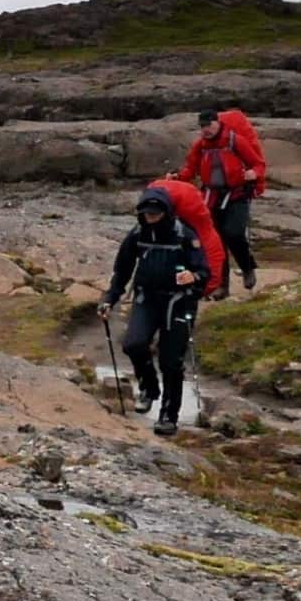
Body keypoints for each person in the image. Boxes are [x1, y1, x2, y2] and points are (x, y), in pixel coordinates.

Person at [100, 186, 215, 436]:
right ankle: (149, 388)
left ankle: (168, 416)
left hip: (179, 302)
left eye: (155, 213)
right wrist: (109, 299)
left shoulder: (184, 234)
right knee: (133, 344)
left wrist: (193, 276)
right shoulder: (137, 234)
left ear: (167, 212)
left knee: (170, 361)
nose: (150, 217)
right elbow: (122, 270)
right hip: (146, 299)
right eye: (146, 213)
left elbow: (204, 271)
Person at [171, 109, 266, 297]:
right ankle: (222, 285)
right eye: (202, 126)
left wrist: (254, 173)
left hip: (237, 194)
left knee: (234, 233)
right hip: (211, 197)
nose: (205, 129)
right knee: (217, 241)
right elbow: (191, 169)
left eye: (208, 125)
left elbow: (258, 164)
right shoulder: (200, 146)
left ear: (217, 123)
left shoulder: (235, 141)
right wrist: (178, 177)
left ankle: (247, 267)